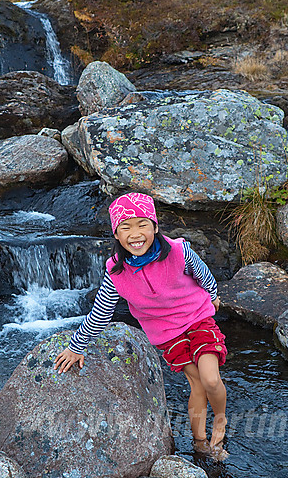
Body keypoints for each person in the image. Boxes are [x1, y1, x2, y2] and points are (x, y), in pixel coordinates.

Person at [54, 192, 229, 459]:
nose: (135, 234)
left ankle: (220, 418)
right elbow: (101, 311)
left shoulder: (179, 252)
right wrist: (77, 347)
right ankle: (201, 444)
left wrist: (213, 295)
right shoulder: (116, 273)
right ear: (116, 234)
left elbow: (202, 273)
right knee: (196, 383)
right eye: (125, 227)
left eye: (142, 225)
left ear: (155, 227)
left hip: (197, 318)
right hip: (167, 334)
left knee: (210, 378)